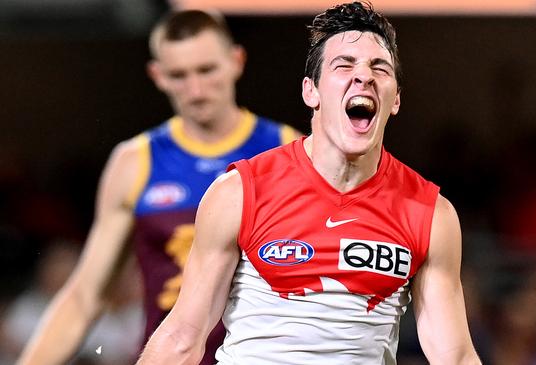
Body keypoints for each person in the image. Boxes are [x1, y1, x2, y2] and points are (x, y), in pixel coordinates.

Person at [137, 2, 481, 364]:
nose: (363, 76)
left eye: (379, 67)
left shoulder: (430, 213)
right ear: (311, 92)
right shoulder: (239, 192)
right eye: (344, 65)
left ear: (395, 100)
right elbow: (182, 337)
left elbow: (455, 356)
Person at [17, 9, 301, 365]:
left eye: (207, 70)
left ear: (236, 61)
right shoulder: (136, 162)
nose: (196, 90)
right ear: (157, 75)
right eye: (179, 75)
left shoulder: (288, 153)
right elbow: (84, 297)